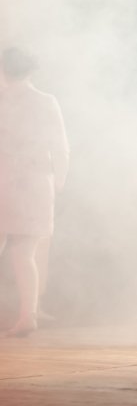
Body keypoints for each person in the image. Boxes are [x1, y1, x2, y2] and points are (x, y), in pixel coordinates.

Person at [0, 47, 69, 338]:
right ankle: (28, 315)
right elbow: (61, 147)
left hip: (6, 178)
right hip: (36, 182)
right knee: (24, 252)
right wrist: (58, 183)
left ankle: (28, 315)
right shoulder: (46, 101)